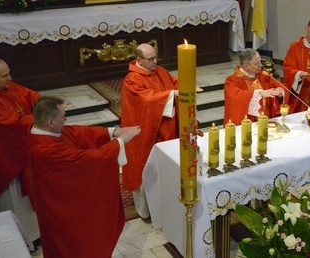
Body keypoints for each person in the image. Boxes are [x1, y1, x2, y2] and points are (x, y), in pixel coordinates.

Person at [27, 96, 140, 258]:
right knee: (74, 245)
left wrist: (114, 131)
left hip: (66, 197)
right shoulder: (44, 149)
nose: (65, 121)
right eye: (63, 118)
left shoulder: (46, 131)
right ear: (51, 122)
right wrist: (120, 142)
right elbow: (87, 160)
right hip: (61, 207)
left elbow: (80, 133)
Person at [121, 43, 191, 218]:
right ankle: (146, 211)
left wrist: (187, 83)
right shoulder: (132, 80)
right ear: (139, 60)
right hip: (146, 132)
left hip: (165, 128)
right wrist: (172, 95)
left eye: (155, 57)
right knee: (147, 167)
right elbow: (146, 100)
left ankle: (167, 203)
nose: (155, 61)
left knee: (167, 166)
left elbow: (174, 83)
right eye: (150, 59)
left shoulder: (160, 71)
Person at [0, 57, 41, 245]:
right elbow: (12, 123)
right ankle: (22, 240)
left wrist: (46, 104)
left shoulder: (7, 86)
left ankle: (36, 234)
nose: (10, 78)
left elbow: (30, 95)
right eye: (5, 75)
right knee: (16, 201)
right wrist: (39, 117)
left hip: (21, 151)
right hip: (7, 158)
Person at [224, 48, 287, 125]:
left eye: (260, 61)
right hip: (246, 126)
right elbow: (235, 97)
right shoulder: (232, 81)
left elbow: (280, 86)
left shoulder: (264, 75)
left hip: (267, 122)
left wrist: (280, 91)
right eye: (257, 63)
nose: (261, 65)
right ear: (246, 66)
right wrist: (260, 94)